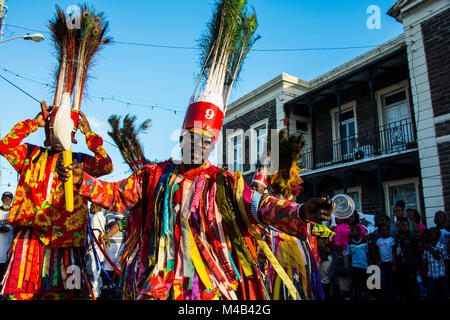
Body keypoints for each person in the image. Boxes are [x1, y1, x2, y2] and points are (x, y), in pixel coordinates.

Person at [0, 110, 113, 300]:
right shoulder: (30, 154)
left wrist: (89, 134)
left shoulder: (81, 162)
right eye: (53, 130)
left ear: (73, 136)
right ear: (47, 135)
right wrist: (33, 123)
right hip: (30, 240)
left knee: (66, 295)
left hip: (67, 244)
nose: (58, 135)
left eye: (65, 131)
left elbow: (106, 166)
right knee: (20, 294)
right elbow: (4, 146)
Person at [333, 210, 367, 300]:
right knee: (346, 275)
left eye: (352, 217)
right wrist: (340, 256)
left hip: (359, 256)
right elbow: (337, 243)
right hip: (345, 254)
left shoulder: (360, 227)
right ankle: (347, 296)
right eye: (348, 216)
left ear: (356, 218)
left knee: (358, 277)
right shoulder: (340, 227)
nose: (350, 218)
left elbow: (365, 238)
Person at [394, 218, 421, 300]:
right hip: (401, 263)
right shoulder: (398, 237)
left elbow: (417, 251)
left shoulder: (412, 237)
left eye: (406, 225)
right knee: (402, 282)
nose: (404, 227)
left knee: (412, 282)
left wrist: (418, 266)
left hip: (411, 263)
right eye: (403, 225)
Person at [423, 227, 448, 300]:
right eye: (429, 234)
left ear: (437, 235)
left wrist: (446, 273)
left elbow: (446, 260)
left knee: (443, 293)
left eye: (432, 233)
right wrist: (425, 274)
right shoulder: (427, 249)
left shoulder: (442, 247)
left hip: (441, 274)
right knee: (432, 294)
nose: (430, 235)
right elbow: (426, 262)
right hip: (431, 275)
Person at [347, 225, 369, 300]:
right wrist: (350, 267)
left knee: (365, 284)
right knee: (357, 285)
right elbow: (349, 255)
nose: (352, 232)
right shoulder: (350, 243)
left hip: (364, 266)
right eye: (351, 231)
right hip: (355, 266)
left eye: (354, 231)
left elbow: (367, 253)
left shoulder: (364, 242)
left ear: (359, 232)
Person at [375, 223, 396, 300]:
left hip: (390, 263)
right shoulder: (379, 241)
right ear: (380, 231)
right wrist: (376, 262)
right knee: (383, 281)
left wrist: (394, 265)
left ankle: (392, 297)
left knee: (391, 281)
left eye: (386, 230)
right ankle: (384, 297)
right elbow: (378, 253)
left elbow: (394, 253)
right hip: (383, 263)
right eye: (383, 230)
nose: (385, 231)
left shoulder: (391, 240)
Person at [0, 192, 14, 286]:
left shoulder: (13, 212)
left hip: (10, 247)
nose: (7, 200)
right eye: (5, 198)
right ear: (2, 199)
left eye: (9, 198)